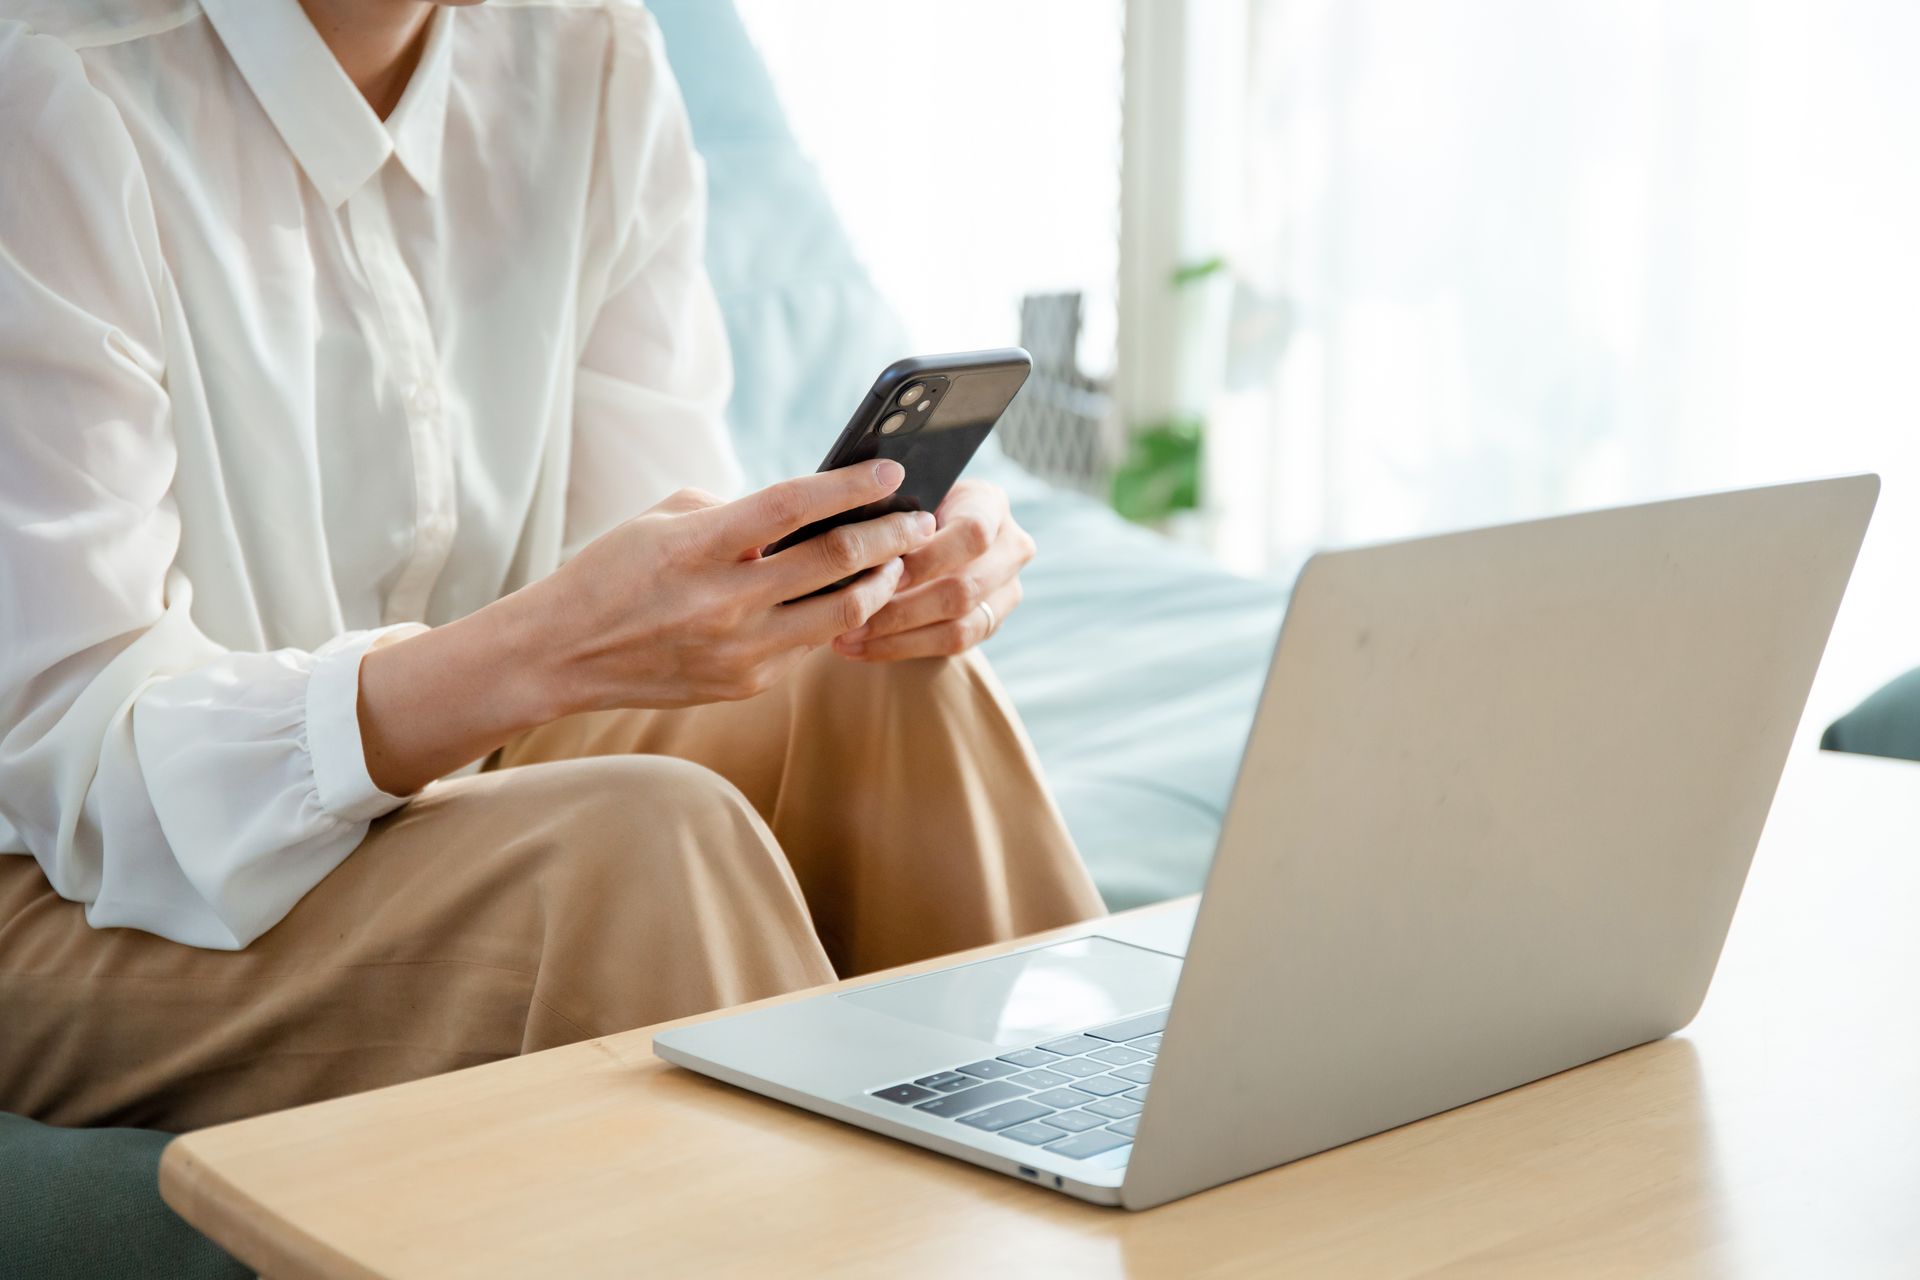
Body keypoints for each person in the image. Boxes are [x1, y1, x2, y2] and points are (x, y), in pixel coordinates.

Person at [0, 0, 1103, 1132]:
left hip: (452, 783)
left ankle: (1112, 1189)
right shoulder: (46, 92)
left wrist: (846, 574)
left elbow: (654, 557)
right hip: (80, 891)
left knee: (880, 682)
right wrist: (532, 649)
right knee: (638, 851)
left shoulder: (591, 52)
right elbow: (79, 770)